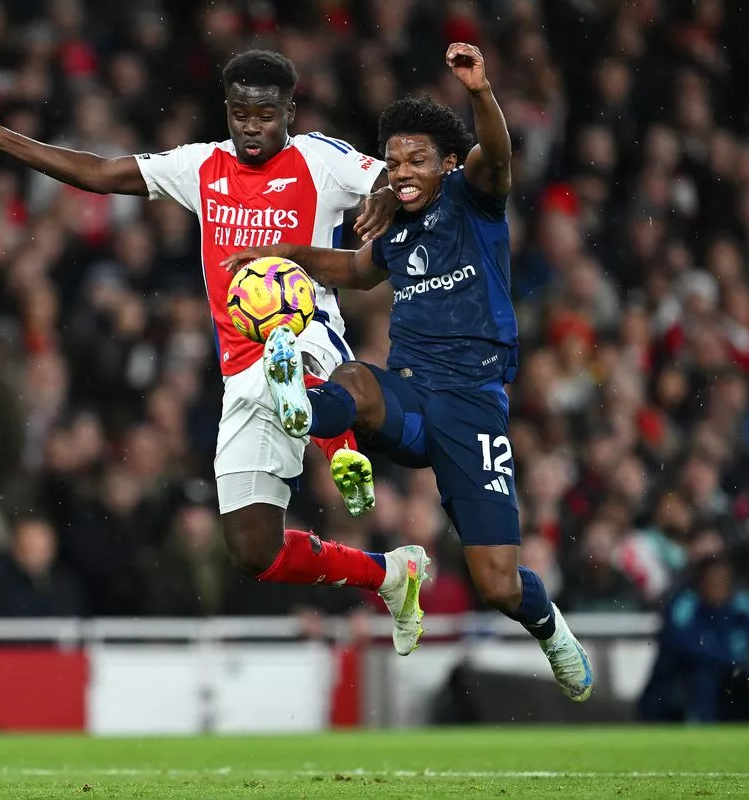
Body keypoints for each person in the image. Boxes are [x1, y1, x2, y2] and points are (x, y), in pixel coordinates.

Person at [0, 51, 426, 639]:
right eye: (241, 113)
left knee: (295, 361)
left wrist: (382, 195)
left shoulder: (320, 160)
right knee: (254, 551)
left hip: (309, 337)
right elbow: (102, 172)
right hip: (240, 376)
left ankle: (341, 446)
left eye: (266, 114)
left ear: (289, 113)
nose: (252, 125)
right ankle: (390, 575)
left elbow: (392, 177)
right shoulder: (201, 167)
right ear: (227, 111)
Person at [223, 44, 592, 699]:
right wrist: (286, 252)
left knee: (499, 584)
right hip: (415, 396)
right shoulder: (397, 232)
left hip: (474, 405)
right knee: (357, 381)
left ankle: (550, 628)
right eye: (393, 162)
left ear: (448, 161)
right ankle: (302, 403)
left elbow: (499, 154)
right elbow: (357, 271)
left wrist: (480, 92)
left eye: (417, 158)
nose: (401, 171)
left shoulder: (473, 198)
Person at [638, 555, 749, 723]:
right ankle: (703, 730)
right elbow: (684, 646)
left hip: (732, 683)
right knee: (705, 674)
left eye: (724, 581)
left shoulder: (741, 607)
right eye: (713, 580)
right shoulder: (685, 607)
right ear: (701, 584)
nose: (718, 586)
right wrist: (739, 666)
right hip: (680, 689)